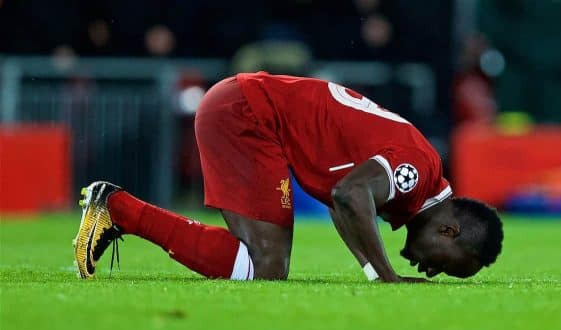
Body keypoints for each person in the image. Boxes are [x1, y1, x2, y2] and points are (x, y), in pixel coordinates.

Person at [73, 72, 503, 282]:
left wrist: (375, 270)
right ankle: (117, 208)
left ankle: (118, 209)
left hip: (244, 106)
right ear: (448, 230)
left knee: (255, 266)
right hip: (248, 114)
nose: (430, 272)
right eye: (444, 266)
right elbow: (349, 195)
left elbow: (345, 203)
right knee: (267, 265)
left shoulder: (417, 180)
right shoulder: (418, 173)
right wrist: (385, 277)